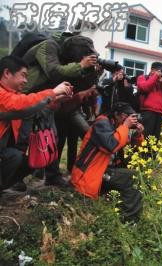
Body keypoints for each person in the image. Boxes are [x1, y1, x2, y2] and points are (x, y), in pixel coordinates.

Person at [13, 33, 100, 191]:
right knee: (23, 138)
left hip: (45, 99)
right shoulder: (48, 46)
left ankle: (52, 177)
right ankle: (14, 178)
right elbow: (53, 72)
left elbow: (75, 83)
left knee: (51, 136)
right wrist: (80, 65)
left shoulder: (66, 61)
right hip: (26, 95)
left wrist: (92, 71)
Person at [0, 55, 72, 193]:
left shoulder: (12, 95)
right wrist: (53, 91)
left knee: (26, 162)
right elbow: (21, 105)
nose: (26, 80)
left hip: (4, 150)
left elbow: (29, 108)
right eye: (23, 75)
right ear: (7, 73)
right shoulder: (3, 96)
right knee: (15, 158)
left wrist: (55, 99)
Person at [70, 102, 144, 223]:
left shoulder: (118, 126)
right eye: (126, 116)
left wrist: (138, 134)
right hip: (89, 174)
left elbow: (131, 150)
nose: (129, 119)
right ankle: (129, 220)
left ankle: (121, 209)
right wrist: (125, 126)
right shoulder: (102, 124)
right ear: (116, 114)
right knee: (133, 177)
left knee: (137, 174)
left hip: (105, 170)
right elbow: (111, 145)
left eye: (132, 116)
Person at [136, 62, 162, 141]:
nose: (160, 73)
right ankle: (142, 153)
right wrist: (155, 76)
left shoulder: (161, 81)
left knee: (156, 140)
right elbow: (144, 88)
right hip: (148, 112)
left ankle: (152, 153)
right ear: (152, 70)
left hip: (160, 113)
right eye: (158, 71)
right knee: (145, 137)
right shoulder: (143, 77)